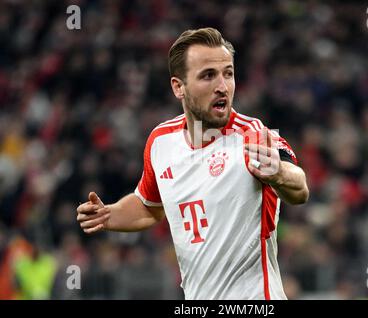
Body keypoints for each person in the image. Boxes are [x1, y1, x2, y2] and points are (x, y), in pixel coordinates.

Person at [76, 27, 309, 300]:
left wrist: (278, 172)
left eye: (228, 73)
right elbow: (149, 206)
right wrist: (109, 215)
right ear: (178, 87)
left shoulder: (253, 135)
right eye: (208, 75)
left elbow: (300, 187)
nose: (222, 86)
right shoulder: (161, 142)